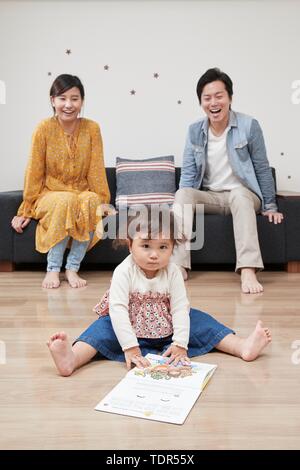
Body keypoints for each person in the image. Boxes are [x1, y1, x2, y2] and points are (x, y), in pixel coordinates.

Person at [47, 207, 271, 377]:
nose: (154, 255)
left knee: (201, 320)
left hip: (167, 326)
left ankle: (242, 347)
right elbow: (117, 310)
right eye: (146, 246)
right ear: (130, 244)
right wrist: (130, 347)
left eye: (163, 247)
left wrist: (180, 343)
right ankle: (71, 359)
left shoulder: (172, 272)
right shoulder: (124, 271)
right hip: (129, 327)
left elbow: (180, 308)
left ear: (172, 247)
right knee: (100, 328)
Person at [171, 67, 283, 294]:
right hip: (211, 195)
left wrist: (270, 205)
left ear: (230, 98)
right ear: (201, 102)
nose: (213, 102)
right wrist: (183, 203)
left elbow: (262, 168)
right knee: (182, 193)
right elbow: (189, 175)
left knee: (240, 195)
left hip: (244, 194)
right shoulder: (194, 131)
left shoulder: (249, 125)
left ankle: (248, 269)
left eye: (219, 96)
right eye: (207, 97)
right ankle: (178, 266)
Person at [11, 74, 110, 289]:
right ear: (52, 100)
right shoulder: (43, 129)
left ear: (82, 101)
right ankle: (53, 269)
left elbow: (96, 168)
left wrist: (102, 200)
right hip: (50, 195)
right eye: (62, 98)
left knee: (91, 200)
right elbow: (34, 170)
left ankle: (72, 268)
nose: (68, 104)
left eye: (74, 99)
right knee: (65, 200)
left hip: (80, 192)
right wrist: (26, 208)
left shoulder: (92, 129)